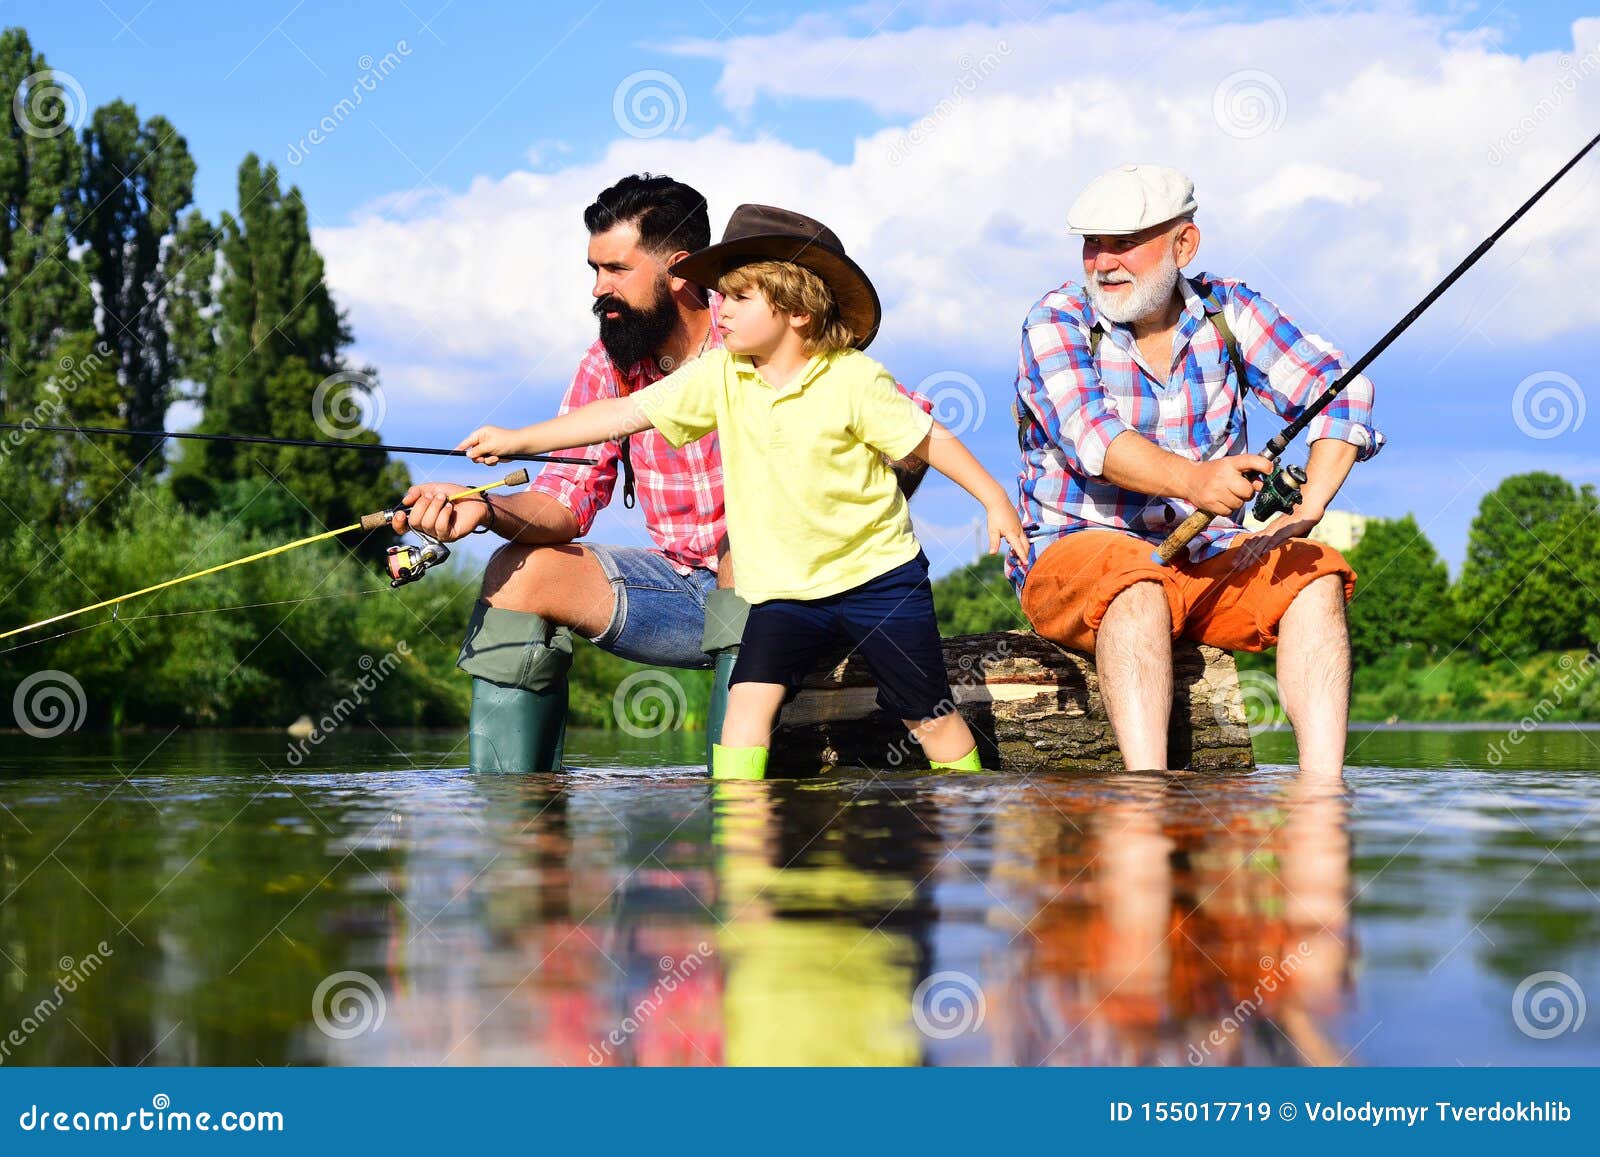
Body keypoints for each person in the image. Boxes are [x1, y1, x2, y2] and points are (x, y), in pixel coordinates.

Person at [459, 204, 1027, 780]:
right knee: (745, 706)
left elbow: (927, 437)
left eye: (737, 298)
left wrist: (995, 501)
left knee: (926, 716)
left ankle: (967, 804)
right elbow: (621, 416)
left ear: (797, 312)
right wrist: (514, 444)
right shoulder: (717, 375)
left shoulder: (852, 378)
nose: (721, 309)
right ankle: (730, 826)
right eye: (721, 296)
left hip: (874, 582)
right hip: (774, 593)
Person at [1011, 163, 1384, 775]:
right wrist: (1196, 481)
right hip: (1075, 553)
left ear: (1183, 244)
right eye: (1091, 244)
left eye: (1124, 243)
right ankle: (1146, 791)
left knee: (1317, 574)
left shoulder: (1229, 309)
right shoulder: (1055, 321)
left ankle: (1322, 794)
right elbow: (1093, 439)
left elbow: (1342, 390)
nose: (1103, 262)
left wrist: (1310, 503)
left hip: (1207, 554)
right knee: (1135, 582)